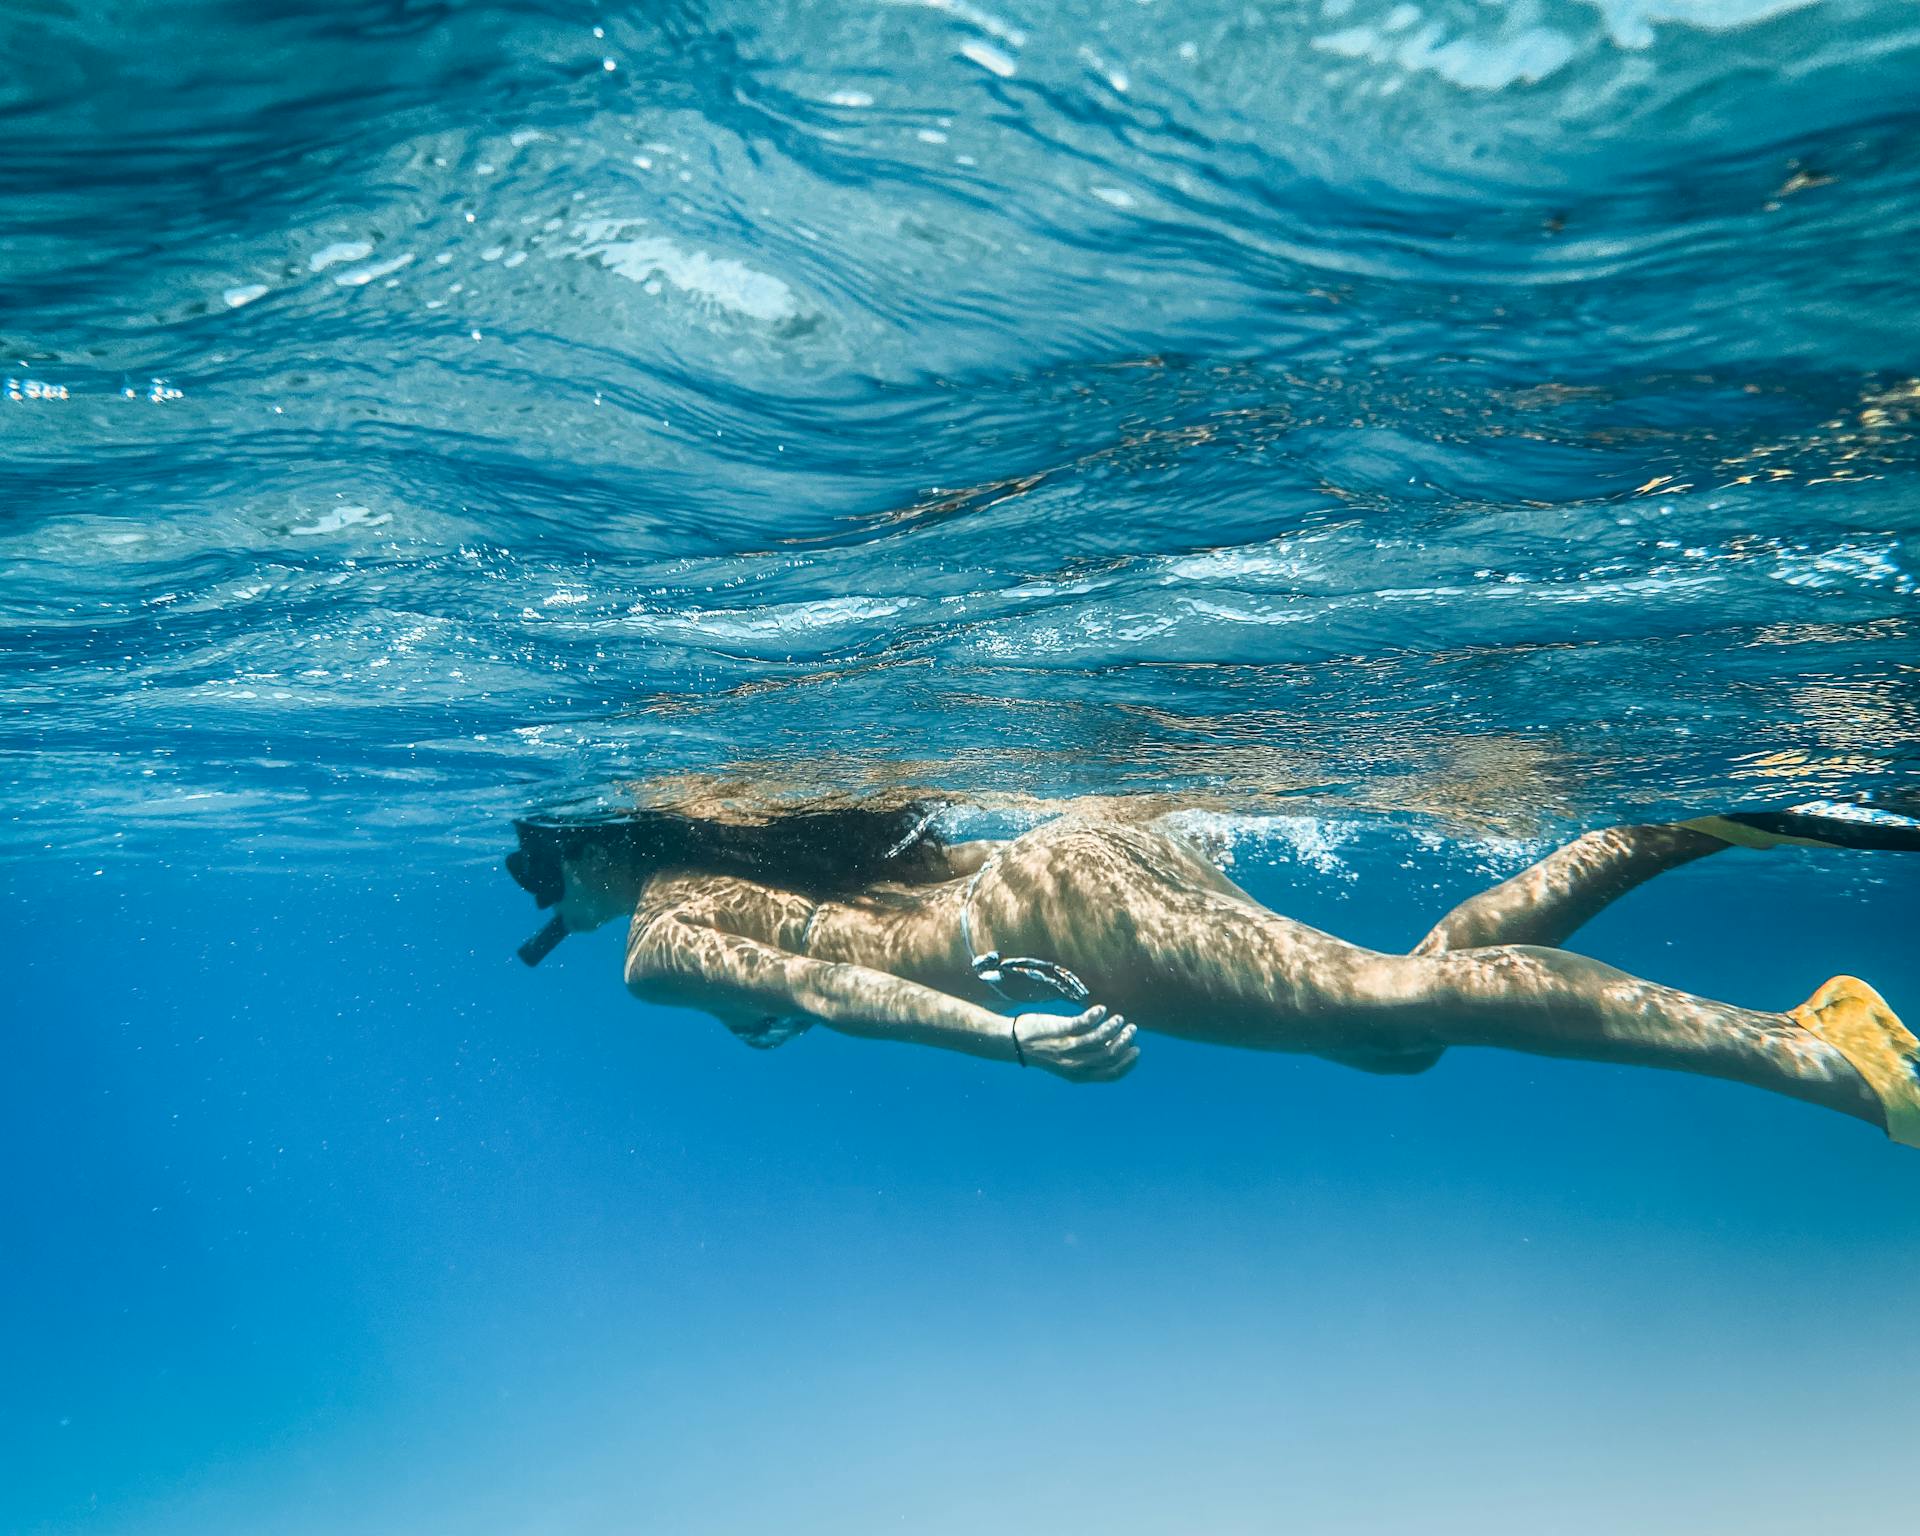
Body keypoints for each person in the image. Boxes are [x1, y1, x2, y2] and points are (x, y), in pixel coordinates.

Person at [506, 792, 1920, 1146]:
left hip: (1057, 913)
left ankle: (1814, 1052)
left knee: (1387, 1003)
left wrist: (1001, 1041)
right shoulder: (765, 854)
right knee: (1390, 1023)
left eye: (536, 871)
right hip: (1076, 861)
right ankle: (1674, 828)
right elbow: (824, 972)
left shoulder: (651, 944)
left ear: (588, 852)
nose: (546, 900)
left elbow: (828, 992)